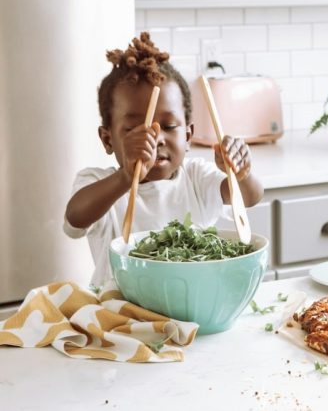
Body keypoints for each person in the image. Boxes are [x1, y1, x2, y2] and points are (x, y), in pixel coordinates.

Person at [64, 32, 264, 287]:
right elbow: (75, 218)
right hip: (120, 314)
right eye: (136, 130)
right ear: (107, 139)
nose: (155, 139)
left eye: (169, 126)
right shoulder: (99, 182)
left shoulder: (195, 178)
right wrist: (126, 176)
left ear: (188, 136)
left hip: (191, 306)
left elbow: (250, 197)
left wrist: (241, 173)